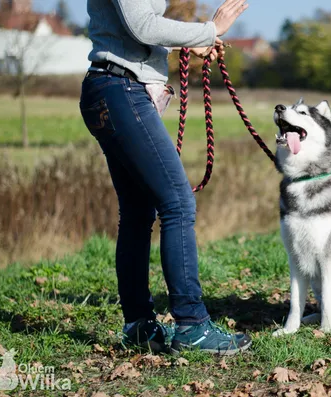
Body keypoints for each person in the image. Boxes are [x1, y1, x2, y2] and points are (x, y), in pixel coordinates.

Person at [80, 0, 250, 355]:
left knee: (138, 213)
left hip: (114, 88)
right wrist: (210, 28)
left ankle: (139, 326)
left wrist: (192, 41)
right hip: (120, 90)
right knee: (177, 202)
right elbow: (143, 25)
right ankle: (191, 325)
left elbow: (136, 32)